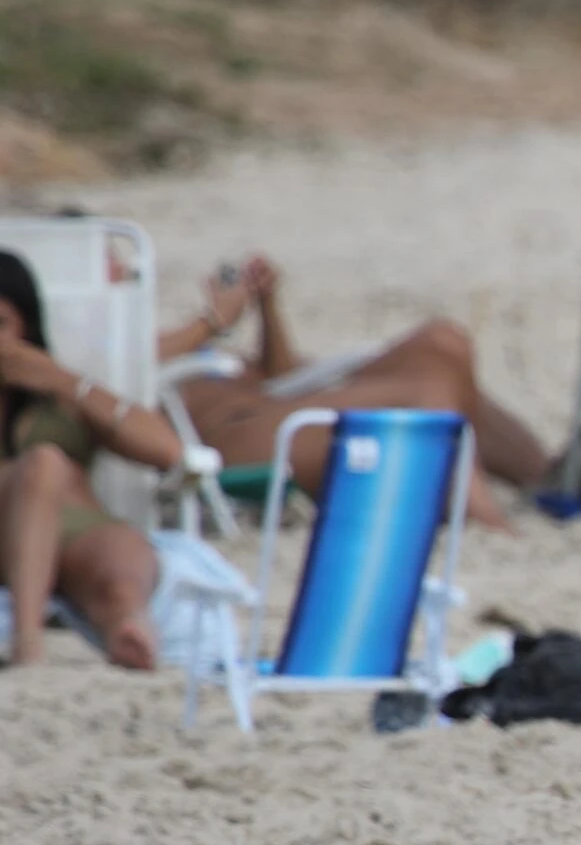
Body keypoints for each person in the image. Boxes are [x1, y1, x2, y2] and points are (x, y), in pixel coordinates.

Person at [160, 256, 549, 528]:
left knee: (443, 342)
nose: (123, 267)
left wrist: (267, 306)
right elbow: (121, 374)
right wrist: (211, 321)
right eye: (112, 260)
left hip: (273, 405)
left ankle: (547, 479)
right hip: (225, 441)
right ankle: (476, 511)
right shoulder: (113, 341)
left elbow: (279, 377)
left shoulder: (161, 336)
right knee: (427, 391)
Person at [0, 250, 187, 669]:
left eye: (0, 326)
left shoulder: (60, 394)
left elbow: (167, 451)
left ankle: (128, 627)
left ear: (26, 328)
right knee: (45, 463)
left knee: (120, 575)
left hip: (78, 532)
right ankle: (28, 640)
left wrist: (61, 380)